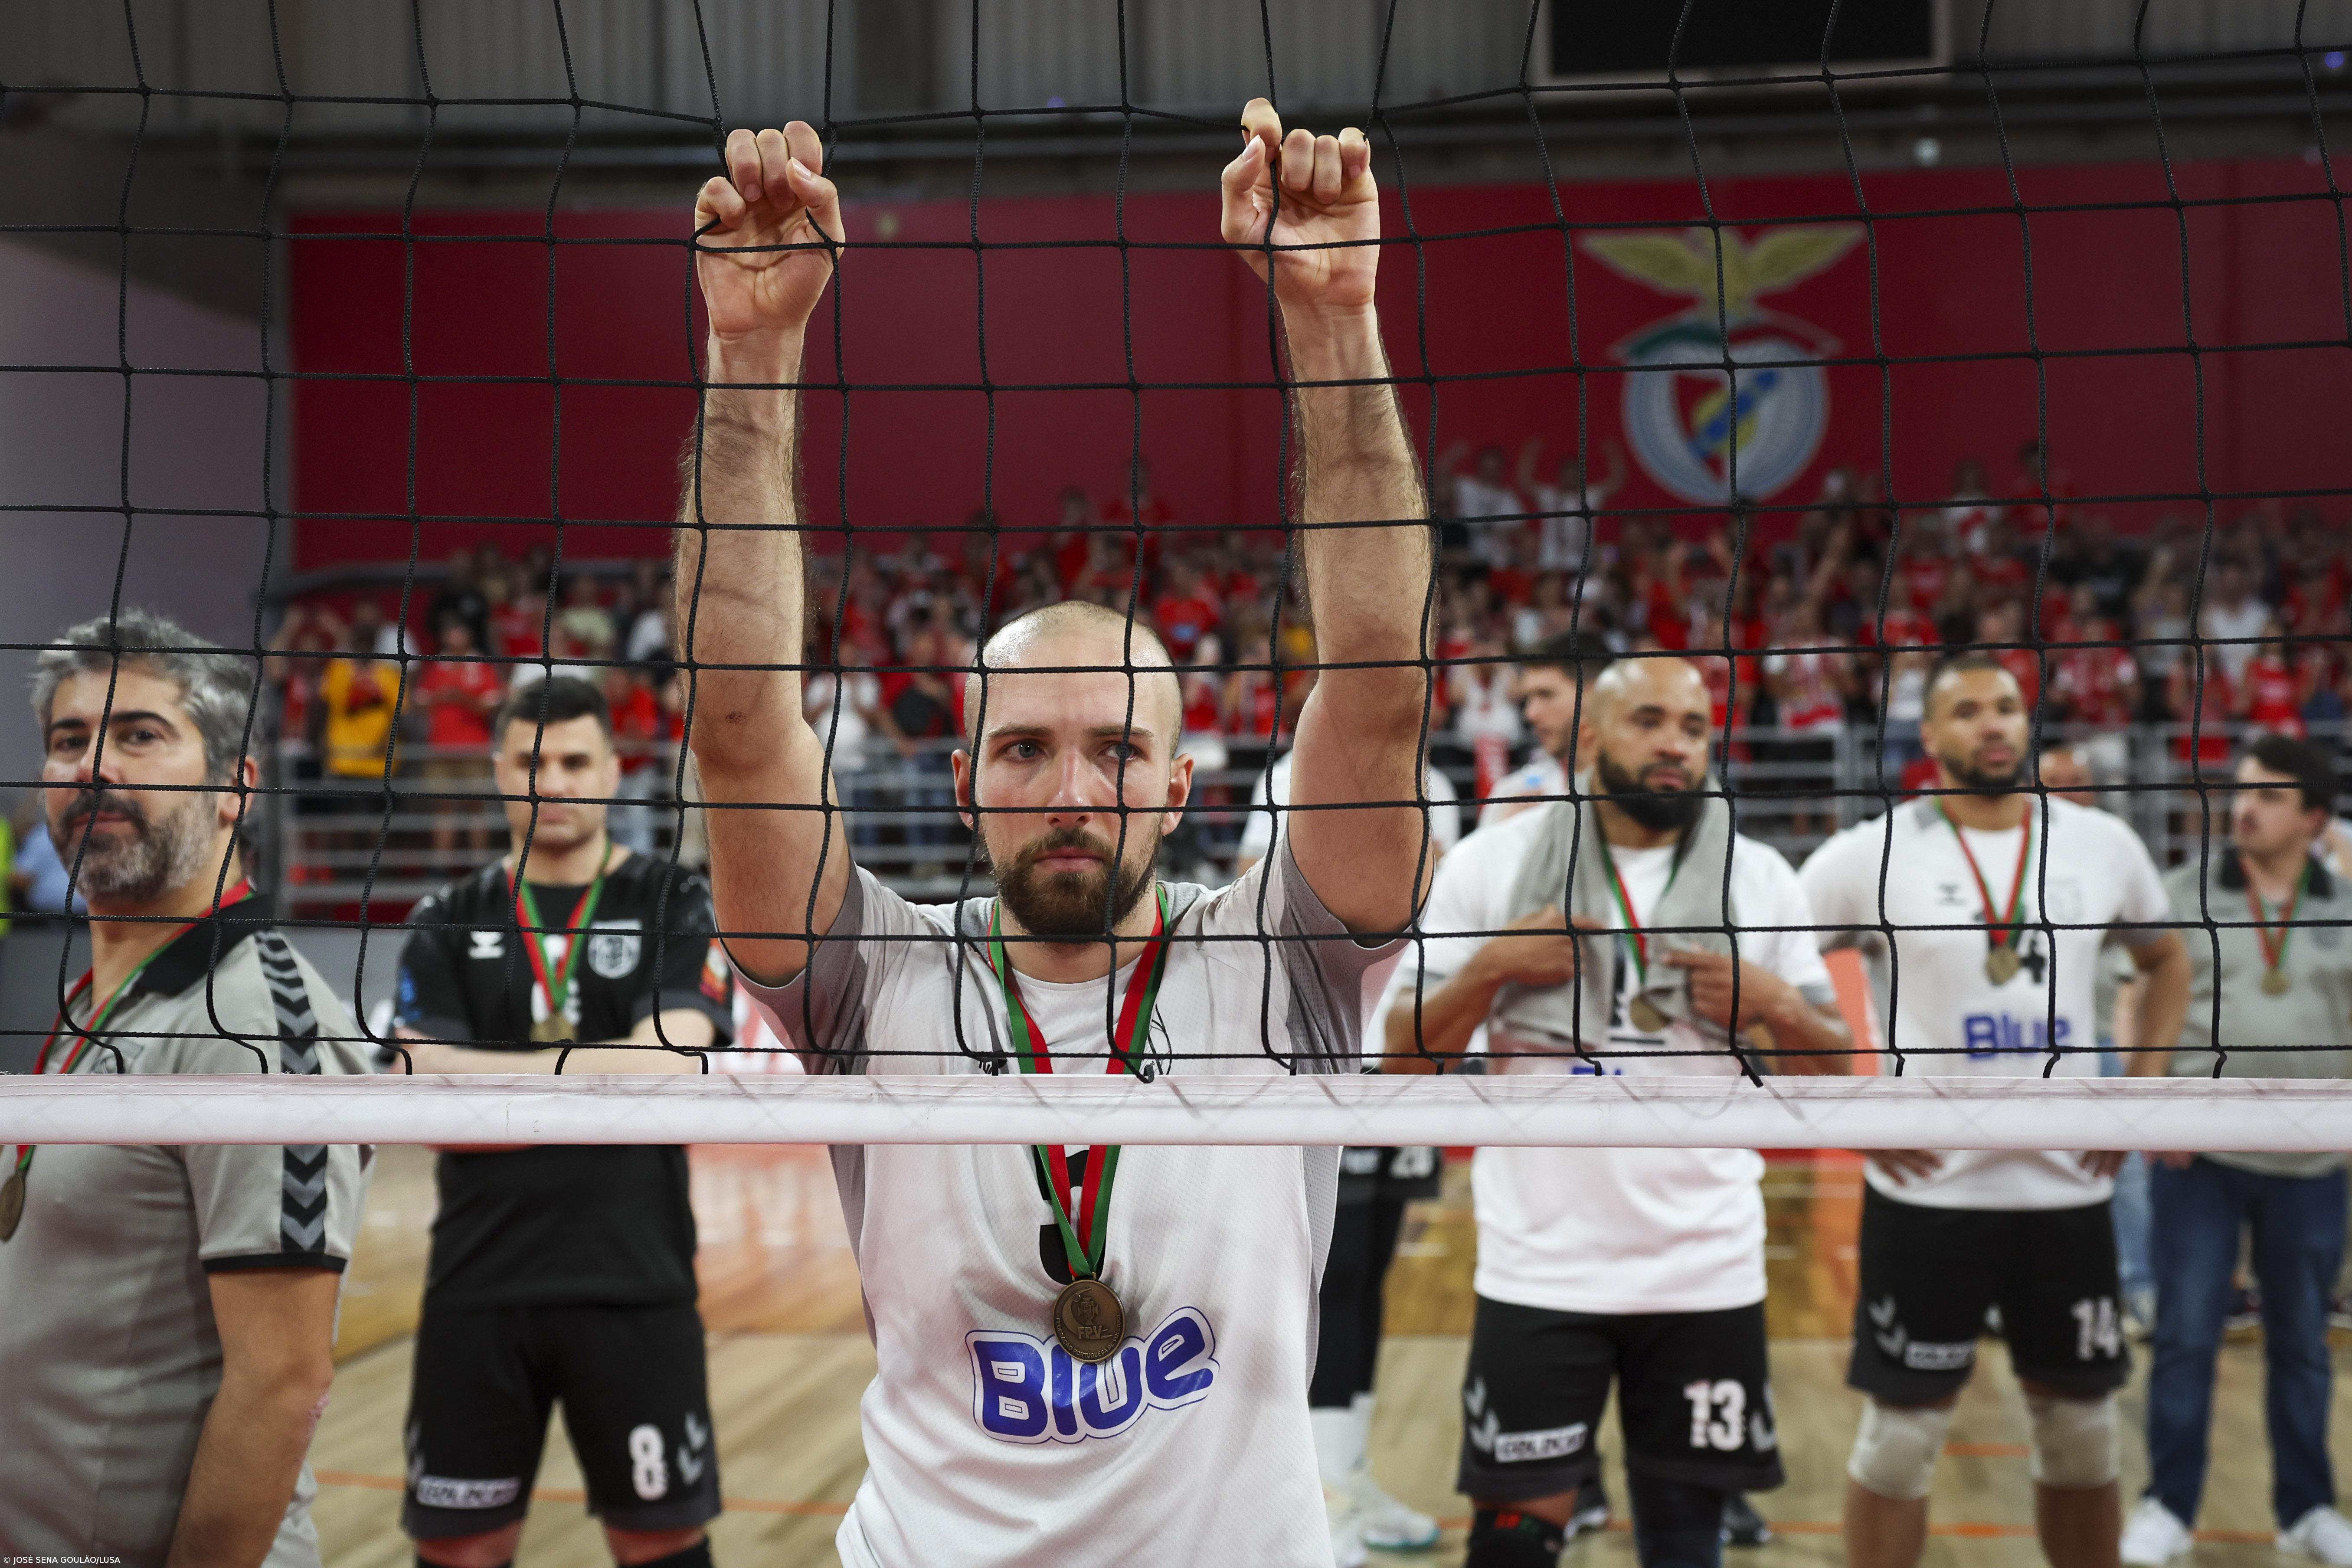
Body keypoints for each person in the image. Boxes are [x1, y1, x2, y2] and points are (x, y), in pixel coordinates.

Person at [678, 106, 1434, 1565]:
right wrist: (751, 357)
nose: (1073, 791)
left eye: (1115, 750)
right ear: (961, 780)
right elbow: (737, 726)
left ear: (1180, 784)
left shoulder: (1290, 959)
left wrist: (1334, 316)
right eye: (1023, 749)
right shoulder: (864, 977)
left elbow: (1383, 686)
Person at [1386, 655, 1855, 1568]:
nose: (1676, 743)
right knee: (1511, 1548)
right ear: (1590, 738)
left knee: (1685, 1544)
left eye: (1691, 726)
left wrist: (1775, 1003)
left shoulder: (1756, 876)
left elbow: (1839, 1079)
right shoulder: (1493, 863)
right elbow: (1399, 1055)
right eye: (1648, 721)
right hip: (1539, 1270)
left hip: (1704, 1271)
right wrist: (1488, 969)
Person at [1801, 652, 2192, 1568]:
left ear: (2027, 724)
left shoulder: (2097, 843)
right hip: (1928, 1199)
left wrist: (2133, 1097)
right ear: (1929, 735)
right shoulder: (1872, 851)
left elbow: (2166, 958)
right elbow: (1770, 964)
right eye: (1966, 710)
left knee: (2083, 1435)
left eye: (2006, 707)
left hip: (2064, 1196)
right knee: (1898, 1444)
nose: (1991, 724)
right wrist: (1839, 1107)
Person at [0, 609, 373, 1561]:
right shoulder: (100, 995)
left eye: (139, 735)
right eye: (68, 740)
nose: (93, 766)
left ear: (235, 789)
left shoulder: (256, 1015)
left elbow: (283, 1379)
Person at [391, 674, 737, 1568]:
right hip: (477, 1284)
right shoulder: (446, 915)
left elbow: (672, 1066)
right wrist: (603, 1071)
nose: (556, 781)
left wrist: (487, 1076)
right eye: (533, 762)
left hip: (634, 1280)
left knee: (657, 1539)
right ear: (499, 771)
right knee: (463, 1548)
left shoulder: (674, 900)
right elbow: (420, 1094)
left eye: (577, 760)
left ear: (615, 770)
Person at [2121, 737, 2352, 1568]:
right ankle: (2166, 1507)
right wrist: (2146, 1112)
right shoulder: (2181, 892)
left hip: (2314, 1164)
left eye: (2271, 796)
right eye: (2242, 790)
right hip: (2201, 1159)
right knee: (2184, 1336)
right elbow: (2140, 998)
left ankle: (2306, 1511)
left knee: (2301, 1343)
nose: (2244, 807)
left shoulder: (2345, 901)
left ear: (2315, 819)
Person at [1233, 718, 1459, 1565]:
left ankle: (1347, 1475)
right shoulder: (1294, 771)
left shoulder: (1429, 781)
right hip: (1317, 1057)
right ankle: (1307, 1490)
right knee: (1313, 1275)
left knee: (1368, 1273)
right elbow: (1256, 889)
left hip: (1400, 1058)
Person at [1479, 631, 1614, 827]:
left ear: (1597, 694)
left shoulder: (1641, 787)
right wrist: (1508, 837)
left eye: (1546, 695)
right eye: (1529, 698)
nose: (1531, 714)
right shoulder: (1511, 794)